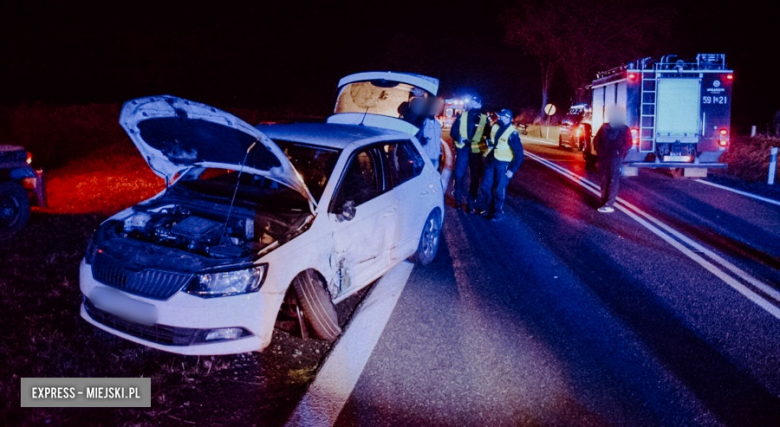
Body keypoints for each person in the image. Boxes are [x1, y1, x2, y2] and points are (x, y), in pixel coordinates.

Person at [475, 109, 523, 221]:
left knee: (499, 189)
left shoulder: (512, 134)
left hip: (503, 164)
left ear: (508, 118)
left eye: (501, 116)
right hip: (491, 161)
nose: (499, 118)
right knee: (485, 186)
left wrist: (512, 169)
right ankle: (488, 208)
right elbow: (492, 141)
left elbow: (519, 154)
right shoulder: (495, 127)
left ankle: (497, 212)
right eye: (499, 116)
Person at [450, 96, 489, 212]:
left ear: (480, 105)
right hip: (463, 150)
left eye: (476, 103)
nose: (474, 105)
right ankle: (457, 201)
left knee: (475, 179)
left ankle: (470, 204)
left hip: (476, 152)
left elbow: (490, 134)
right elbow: (453, 131)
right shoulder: (462, 116)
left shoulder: (484, 119)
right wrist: (458, 137)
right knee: (458, 175)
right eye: (472, 103)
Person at [594, 106, 632, 213]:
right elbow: (596, 141)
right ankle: (603, 200)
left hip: (616, 158)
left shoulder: (624, 129)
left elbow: (628, 144)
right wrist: (600, 152)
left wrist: (620, 153)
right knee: (603, 179)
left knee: (613, 180)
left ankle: (609, 204)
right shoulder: (604, 127)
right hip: (604, 157)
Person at [416, 97, 443, 169]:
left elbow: (438, 139)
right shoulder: (422, 122)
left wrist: (440, 153)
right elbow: (417, 138)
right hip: (426, 157)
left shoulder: (438, 124)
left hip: (436, 156)